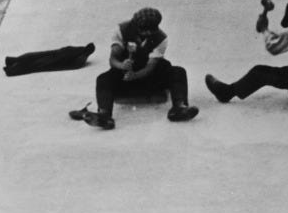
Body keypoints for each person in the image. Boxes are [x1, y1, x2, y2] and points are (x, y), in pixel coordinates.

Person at [69, 7, 198, 129]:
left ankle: (179, 108)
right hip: (124, 78)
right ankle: (104, 115)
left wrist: (135, 75)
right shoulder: (121, 30)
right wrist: (121, 65)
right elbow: (113, 59)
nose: (148, 33)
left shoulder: (161, 38)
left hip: (150, 78)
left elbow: (151, 66)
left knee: (178, 71)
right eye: (145, 30)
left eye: (151, 30)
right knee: (103, 78)